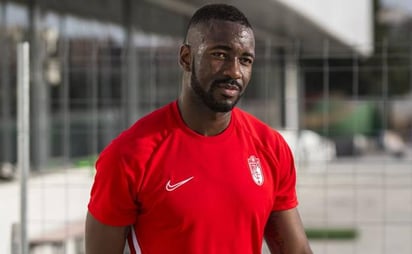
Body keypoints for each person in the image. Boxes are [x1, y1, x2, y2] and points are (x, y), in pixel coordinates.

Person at [85, 3, 312, 254]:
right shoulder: (130, 155)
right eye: (220, 55)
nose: (234, 71)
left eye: (245, 60)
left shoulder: (270, 147)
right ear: (186, 58)